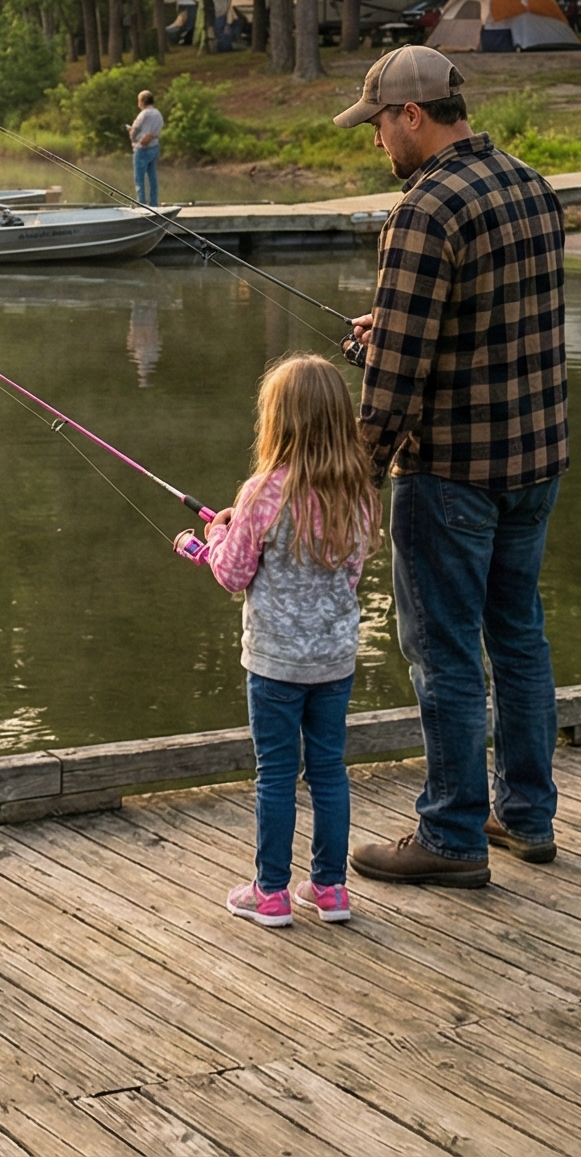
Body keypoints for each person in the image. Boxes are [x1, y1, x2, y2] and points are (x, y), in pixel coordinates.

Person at [335, 44, 569, 890]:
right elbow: (497, 318)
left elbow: (396, 385)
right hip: (536, 459)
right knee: (519, 638)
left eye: (377, 126)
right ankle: (526, 815)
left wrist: (352, 477)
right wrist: (391, 324)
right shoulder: (530, 185)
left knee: (442, 653)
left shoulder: (425, 208)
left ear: (412, 116)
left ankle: (451, 836)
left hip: (453, 472)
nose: (374, 144)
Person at [197, 353, 378, 928]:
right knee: (328, 770)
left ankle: (270, 892)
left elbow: (232, 575)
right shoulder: (359, 493)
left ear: (277, 421)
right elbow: (351, 574)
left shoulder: (262, 493)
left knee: (275, 775)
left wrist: (213, 536)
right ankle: (330, 889)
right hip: (335, 661)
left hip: (274, 664)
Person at [127, 89, 164, 205]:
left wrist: (130, 133)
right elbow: (157, 130)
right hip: (154, 147)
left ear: (142, 101)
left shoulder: (143, 114)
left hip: (142, 149)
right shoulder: (158, 114)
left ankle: (141, 203)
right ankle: (154, 203)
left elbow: (135, 131)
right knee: (152, 177)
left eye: (139, 100)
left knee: (139, 178)